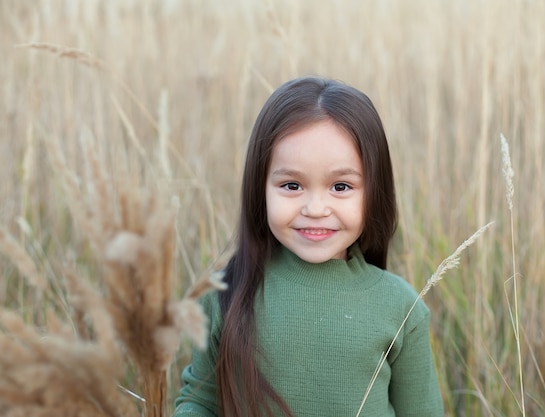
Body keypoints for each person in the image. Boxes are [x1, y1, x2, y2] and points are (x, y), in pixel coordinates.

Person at [173, 76, 444, 417]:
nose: (315, 209)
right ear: (261, 189)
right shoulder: (225, 293)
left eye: (341, 186)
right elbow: (200, 401)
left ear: (374, 191)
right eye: (292, 185)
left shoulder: (401, 308)